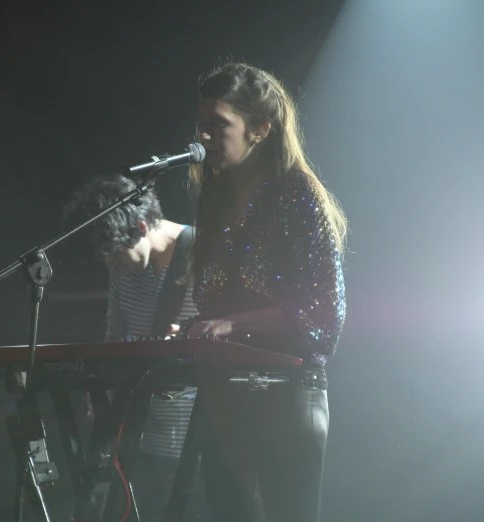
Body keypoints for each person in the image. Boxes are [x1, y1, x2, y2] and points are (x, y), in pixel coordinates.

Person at [180, 62, 347, 522]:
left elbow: (323, 312)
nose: (206, 137)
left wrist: (233, 323)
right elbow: (215, 300)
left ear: (259, 129)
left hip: (287, 393)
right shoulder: (213, 195)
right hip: (224, 392)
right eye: (202, 125)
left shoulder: (297, 194)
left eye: (220, 125)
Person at [62, 174, 205, 521]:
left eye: (112, 255)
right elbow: (115, 329)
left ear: (141, 227)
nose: (110, 265)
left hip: (199, 435)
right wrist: (102, 390)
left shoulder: (207, 253)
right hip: (140, 437)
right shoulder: (125, 269)